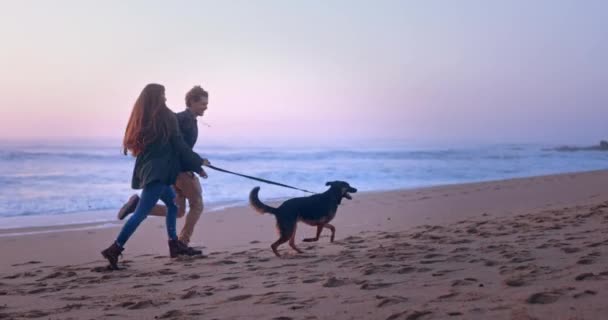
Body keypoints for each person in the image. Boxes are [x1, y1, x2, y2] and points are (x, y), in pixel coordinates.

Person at [101, 83, 208, 270]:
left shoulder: (146, 118)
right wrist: (198, 162)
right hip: (159, 173)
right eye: (163, 95)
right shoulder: (166, 117)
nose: (165, 99)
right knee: (141, 213)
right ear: (157, 98)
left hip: (150, 169)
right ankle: (115, 248)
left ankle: (174, 243)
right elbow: (180, 145)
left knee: (173, 205)